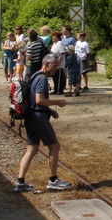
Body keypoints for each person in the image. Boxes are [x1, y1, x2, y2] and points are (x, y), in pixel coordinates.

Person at [13, 54, 72, 192]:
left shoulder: (34, 76)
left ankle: (20, 182)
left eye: (57, 66)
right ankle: (53, 180)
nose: (56, 69)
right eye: (54, 66)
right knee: (54, 146)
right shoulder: (42, 79)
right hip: (38, 118)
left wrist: (50, 110)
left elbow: (34, 101)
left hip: (30, 117)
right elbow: (39, 100)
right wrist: (57, 102)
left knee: (32, 149)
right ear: (46, 64)